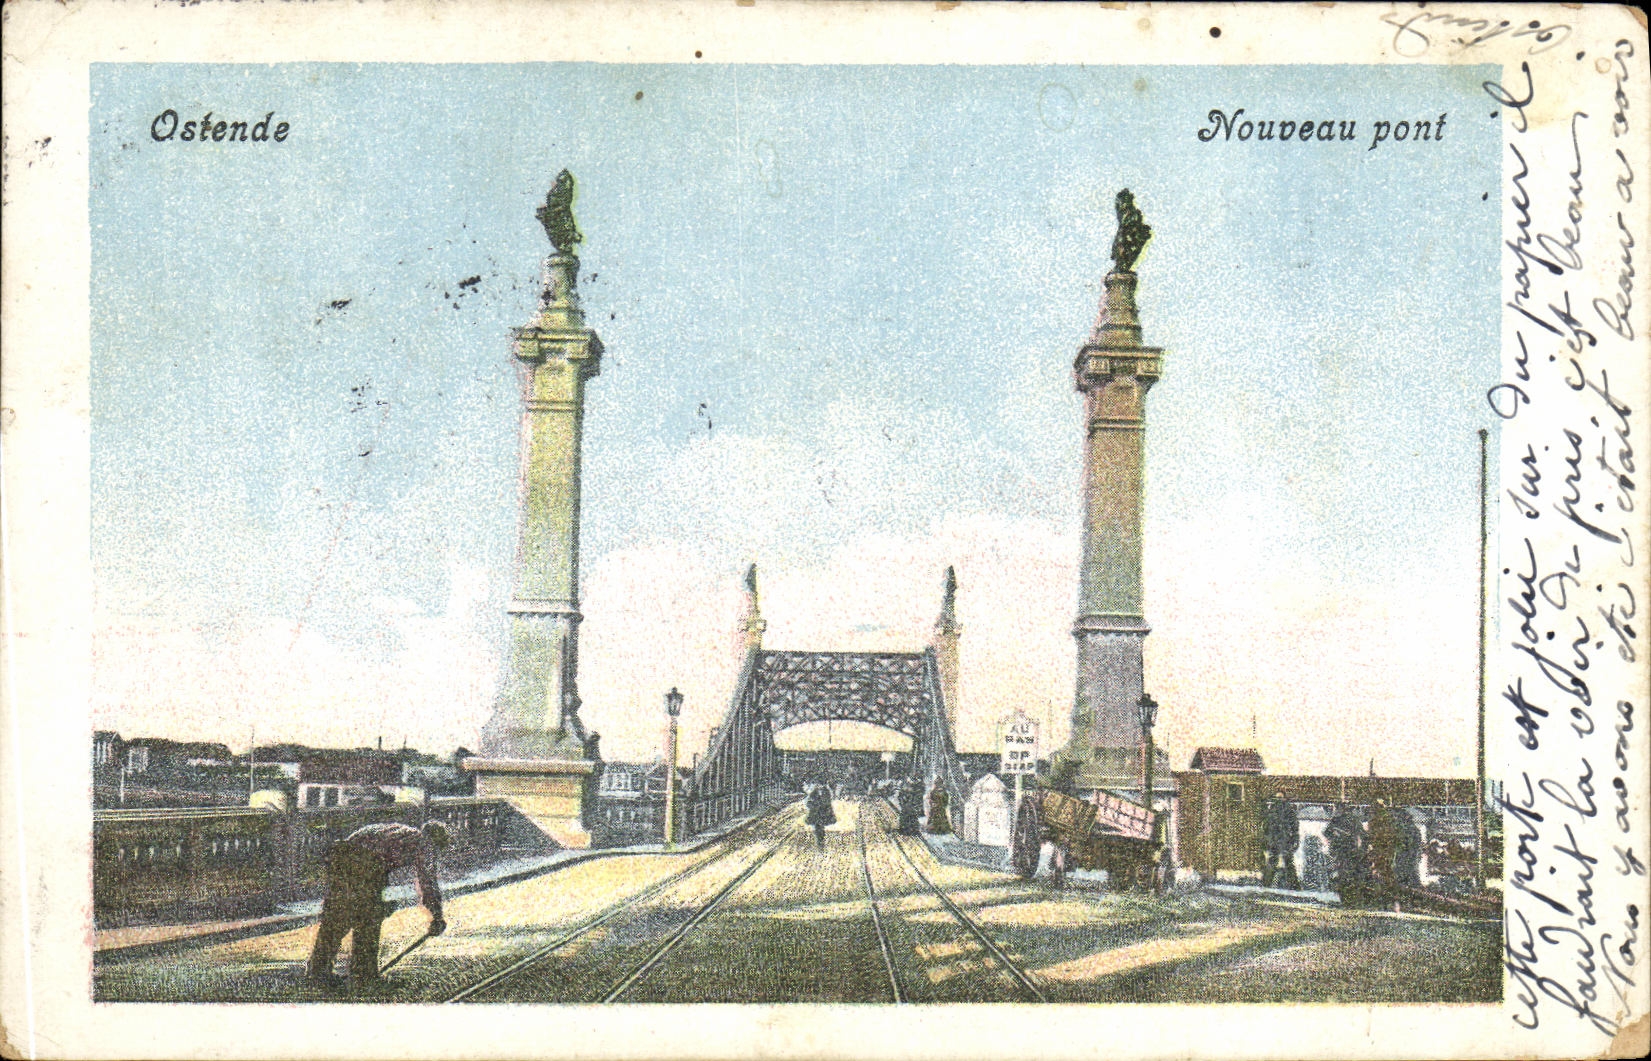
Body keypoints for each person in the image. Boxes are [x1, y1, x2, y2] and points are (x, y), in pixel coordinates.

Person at [306, 820, 450, 988]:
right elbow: (427, 883)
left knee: (337, 918)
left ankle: (318, 971)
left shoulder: (405, 832)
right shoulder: (425, 845)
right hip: (361, 862)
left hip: (342, 857)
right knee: (368, 921)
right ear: (436, 840)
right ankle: (364, 975)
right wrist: (437, 916)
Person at [1262, 791, 1300, 890]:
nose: (1279, 800)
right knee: (1272, 861)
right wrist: (1266, 841)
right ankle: (1267, 884)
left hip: (1285, 840)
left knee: (1288, 862)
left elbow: (1295, 827)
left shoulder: (1289, 811)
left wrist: (1295, 840)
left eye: (1281, 798)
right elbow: (1266, 828)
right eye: (1277, 798)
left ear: (1284, 799)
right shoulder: (1271, 811)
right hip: (1273, 841)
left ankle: (1294, 886)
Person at [805, 782, 836, 850]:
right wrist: (814, 806)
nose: (820, 786)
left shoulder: (826, 791)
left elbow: (828, 802)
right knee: (818, 828)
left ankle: (821, 843)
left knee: (821, 829)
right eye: (818, 785)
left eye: (821, 785)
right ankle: (819, 844)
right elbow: (808, 803)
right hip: (816, 814)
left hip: (824, 814)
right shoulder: (813, 793)